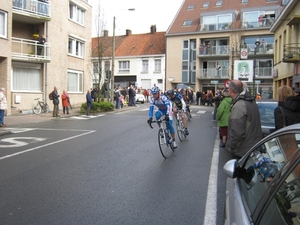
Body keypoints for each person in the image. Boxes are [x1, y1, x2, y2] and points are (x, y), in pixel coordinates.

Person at [226, 80, 262, 158]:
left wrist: (231, 147)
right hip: (252, 146)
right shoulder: (250, 101)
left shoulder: (240, 105)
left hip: (243, 150)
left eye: (228, 89)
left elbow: (237, 131)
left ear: (231, 90)